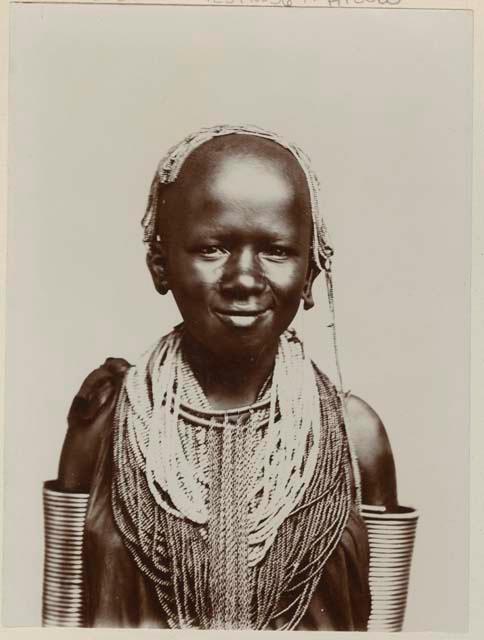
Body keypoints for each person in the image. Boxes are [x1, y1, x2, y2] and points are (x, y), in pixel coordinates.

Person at [44, 124, 401, 630]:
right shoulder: (104, 422)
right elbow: (58, 618)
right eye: (213, 248)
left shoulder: (355, 433)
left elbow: (388, 626)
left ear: (311, 275)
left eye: (276, 250)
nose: (244, 280)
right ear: (159, 265)